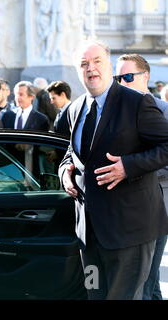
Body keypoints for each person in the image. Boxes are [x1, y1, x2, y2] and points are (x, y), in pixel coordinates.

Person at [59, 40, 168, 300]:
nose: (91, 68)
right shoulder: (74, 109)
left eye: (97, 61)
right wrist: (65, 172)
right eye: (83, 64)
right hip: (89, 235)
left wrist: (128, 166)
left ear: (109, 66)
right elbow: (70, 152)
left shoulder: (136, 103)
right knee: (94, 295)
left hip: (130, 231)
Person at [115, 53, 168, 300]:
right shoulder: (114, 110)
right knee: (144, 279)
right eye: (118, 78)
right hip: (126, 208)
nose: (122, 83)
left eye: (127, 77)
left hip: (158, 202)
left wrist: (132, 167)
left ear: (145, 76)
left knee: (147, 277)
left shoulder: (162, 109)